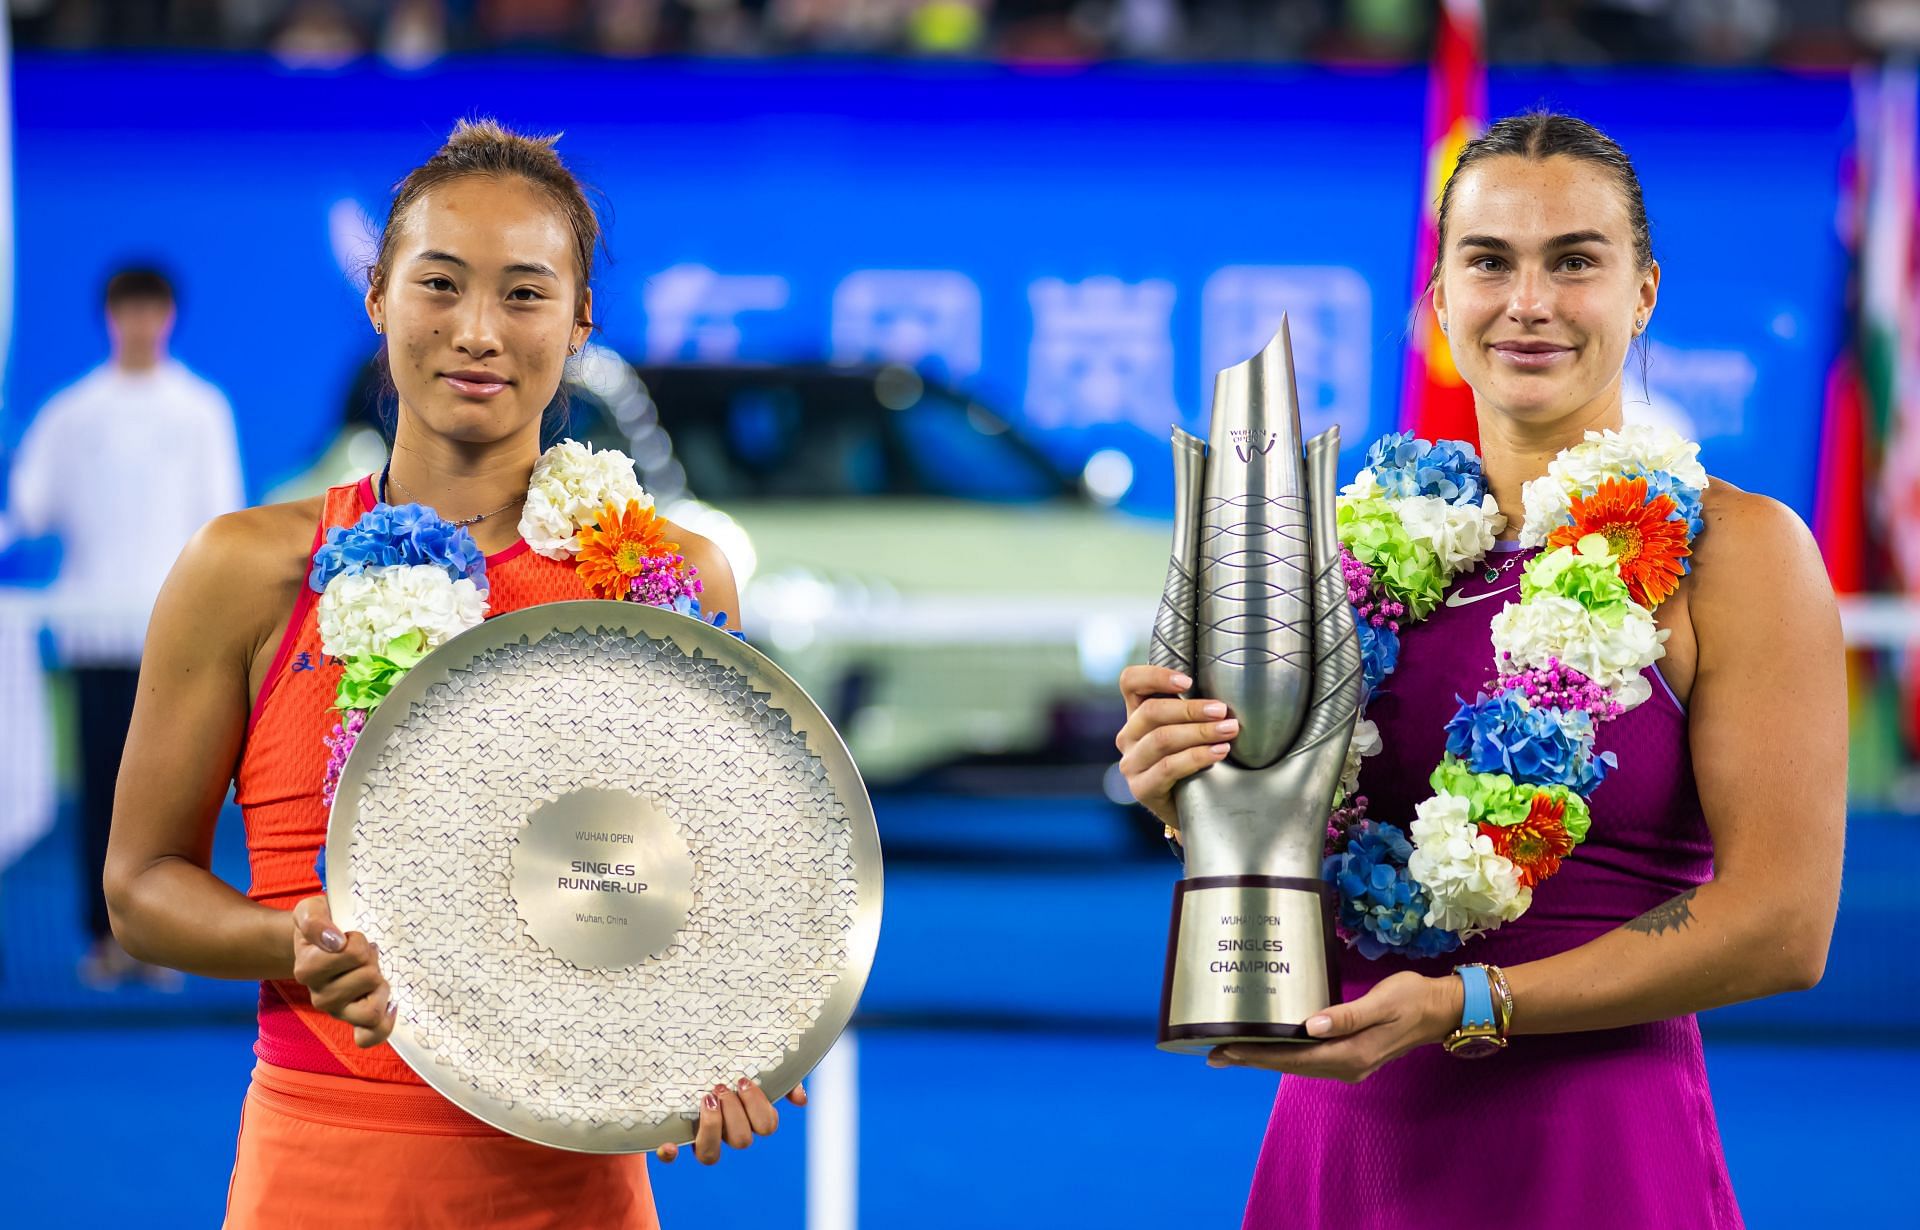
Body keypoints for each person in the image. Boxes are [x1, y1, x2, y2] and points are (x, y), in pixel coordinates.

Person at [1114, 112, 1845, 1228]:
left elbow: (1782, 925)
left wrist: (1474, 1001)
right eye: (1489, 260)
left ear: (1644, 293)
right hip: (1346, 1140)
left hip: (1594, 1155)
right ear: (1438, 301)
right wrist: (1197, 800)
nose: (1530, 302)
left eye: (1576, 262)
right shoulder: (1342, 553)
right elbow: (1304, 866)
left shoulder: (1741, 553)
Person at [102, 120, 798, 1228]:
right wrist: (289, 940)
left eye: (525, 295)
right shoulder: (246, 571)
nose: (477, 332)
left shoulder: (670, 581)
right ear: (379, 298)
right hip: (320, 1173)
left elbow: (707, 891)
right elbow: (139, 888)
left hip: (575, 1187)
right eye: (440, 284)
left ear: (580, 324)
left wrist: (731, 1033)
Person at [4, 265, 244, 990]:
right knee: (103, 791)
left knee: (175, 793)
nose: (140, 323)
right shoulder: (74, 413)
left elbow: (222, 517)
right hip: (93, 634)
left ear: (168, 315)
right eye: (126, 310)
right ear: (111, 317)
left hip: (175, 639)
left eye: (152, 309)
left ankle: (164, 939)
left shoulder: (200, 410)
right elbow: (28, 509)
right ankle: (103, 938)